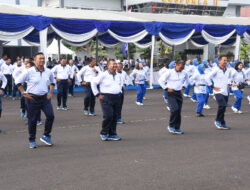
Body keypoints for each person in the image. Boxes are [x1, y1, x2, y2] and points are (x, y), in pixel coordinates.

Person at [16, 52, 55, 149]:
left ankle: (46, 135)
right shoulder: (29, 71)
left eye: (43, 58)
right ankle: (32, 140)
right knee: (32, 120)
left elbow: (52, 82)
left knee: (50, 116)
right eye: (39, 58)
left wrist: (50, 92)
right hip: (32, 99)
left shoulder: (48, 71)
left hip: (45, 98)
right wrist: (24, 93)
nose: (42, 60)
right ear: (34, 60)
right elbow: (17, 81)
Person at [91, 59, 122, 141]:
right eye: (113, 64)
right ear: (108, 66)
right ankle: (104, 132)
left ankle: (112, 134)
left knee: (115, 117)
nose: (115, 65)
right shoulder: (103, 75)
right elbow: (93, 82)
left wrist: (120, 91)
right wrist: (97, 94)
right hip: (106, 98)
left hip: (117, 97)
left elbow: (120, 83)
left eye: (116, 64)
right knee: (108, 116)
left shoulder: (118, 75)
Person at [158, 60, 189, 135]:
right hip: (171, 93)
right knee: (175, 109)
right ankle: (171, 126)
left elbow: (187, 80)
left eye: (183, 67)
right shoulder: (169, 72)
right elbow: (160, 80)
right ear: (176, 65)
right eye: (180, 67)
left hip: (179, 93)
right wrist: (166, 88)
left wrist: (184, 87)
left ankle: (177, 128)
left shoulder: (184, 73)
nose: (181, 69)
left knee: (178, 111)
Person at [205, 55, 232, 130]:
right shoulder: (216, 69)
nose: (225, 62)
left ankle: (222, 123)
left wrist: (229, 84)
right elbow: (207, 77)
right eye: (224, 60)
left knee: (224, 107)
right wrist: (212, 86)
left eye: (226, 60)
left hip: (225, 92)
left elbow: (230, 77)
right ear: (219, 61)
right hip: (218, 92)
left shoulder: (228, 70)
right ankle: (217, 120)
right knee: (222, 105)